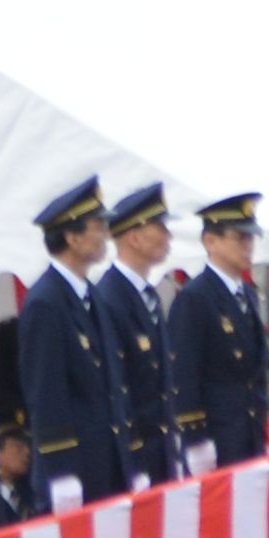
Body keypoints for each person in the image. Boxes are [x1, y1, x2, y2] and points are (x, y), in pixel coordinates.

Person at [12, 180, 123, 509]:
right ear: (72, 238)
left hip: (105, 460)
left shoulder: (91, 296)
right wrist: (60, 472)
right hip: (76, 467)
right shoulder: (46, 303)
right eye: (97, 226)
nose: (105, 234)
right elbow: (46, 393)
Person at [161, 193, 269, 475]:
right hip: (219, 435)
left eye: (250, 238)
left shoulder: (247, 295)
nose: (248, 246)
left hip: (248, 432)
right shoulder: (196, 298)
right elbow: (185, 374)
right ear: (211, 241)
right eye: (239, 238)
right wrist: (196, 440)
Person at [100, 186, 182, 488]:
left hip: (160, 449)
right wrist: (132, 458)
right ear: (133, 237)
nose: (168, 237)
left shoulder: (146, 295)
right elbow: (117, 386)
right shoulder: (110, 299)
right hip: (138, 453)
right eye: (160, 228)